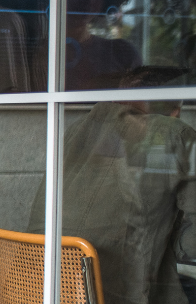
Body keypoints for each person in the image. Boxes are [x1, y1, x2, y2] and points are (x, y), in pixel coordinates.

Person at [27, 69, 196, 303]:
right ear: (175, 108)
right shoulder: (176, 134)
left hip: (36, 287)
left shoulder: (76, 131)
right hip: (108, 292)